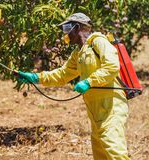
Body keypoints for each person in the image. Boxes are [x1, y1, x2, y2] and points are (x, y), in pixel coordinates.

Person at [17, 13, 130, 160]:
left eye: (66, 28)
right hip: (95, 110)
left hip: (111, 106)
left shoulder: (99, 42)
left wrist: (89, 81)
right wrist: (36, 77)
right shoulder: (79, 52)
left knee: (115, 152)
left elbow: (112, 66)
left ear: (76, 28)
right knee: (101, 153)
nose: (65, 34)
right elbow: (63, 74)